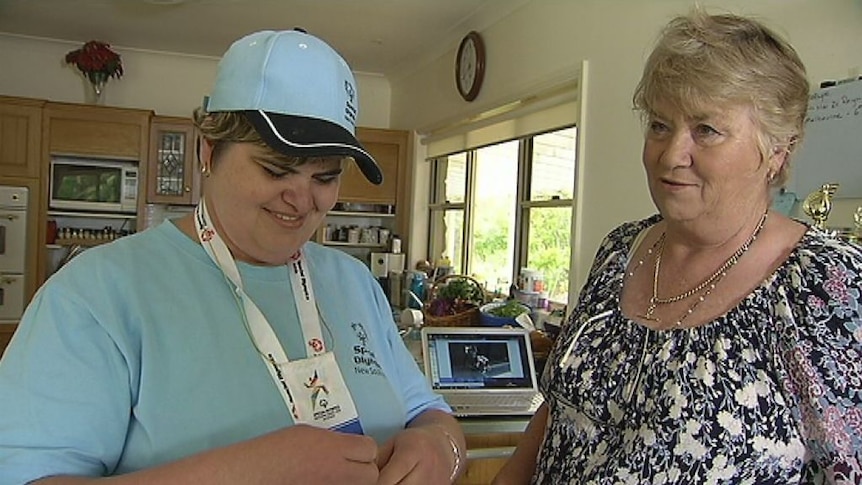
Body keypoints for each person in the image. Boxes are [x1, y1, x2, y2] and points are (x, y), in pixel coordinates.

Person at [0, 29, 465, 484]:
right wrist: (249, 472)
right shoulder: (95, 296)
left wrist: (440, 447)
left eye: (324, 177)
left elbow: (431, 414)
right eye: (276, 169)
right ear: (209, 151)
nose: (302, 200)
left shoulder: (355, 282)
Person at [494, 9, 862, 484]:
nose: (670, 155)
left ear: (777, 150)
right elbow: (558, 413)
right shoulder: (619, 250)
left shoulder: (827, 286)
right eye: (659, 125)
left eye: (706, 130)